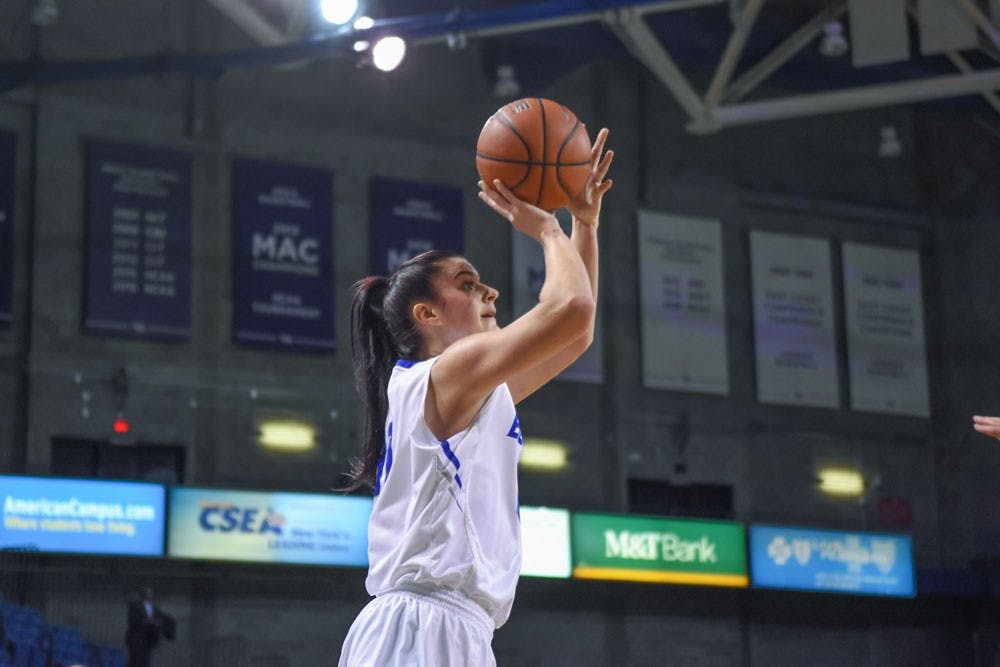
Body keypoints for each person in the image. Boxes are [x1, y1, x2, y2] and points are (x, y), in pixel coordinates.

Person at [338, 129, 613, 667]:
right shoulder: (445, 372)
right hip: (419, 627)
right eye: (468, 284)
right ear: (428, 315)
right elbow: (571, 312)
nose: (489, 293)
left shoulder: (472, 387)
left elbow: (576, 334)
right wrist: (549, 230)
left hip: (457, 629)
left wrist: (586, 224)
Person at [125, 587, 173, 667]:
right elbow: (134, 620)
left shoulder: (154, 608)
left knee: (145, 661)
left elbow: (160, 619)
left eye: (150, 593)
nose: (149, 595)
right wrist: (150, 622)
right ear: (142, 594)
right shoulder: (135, 605)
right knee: (135, 661)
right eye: (147, 593)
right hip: (136, 639)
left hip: (149, 639)